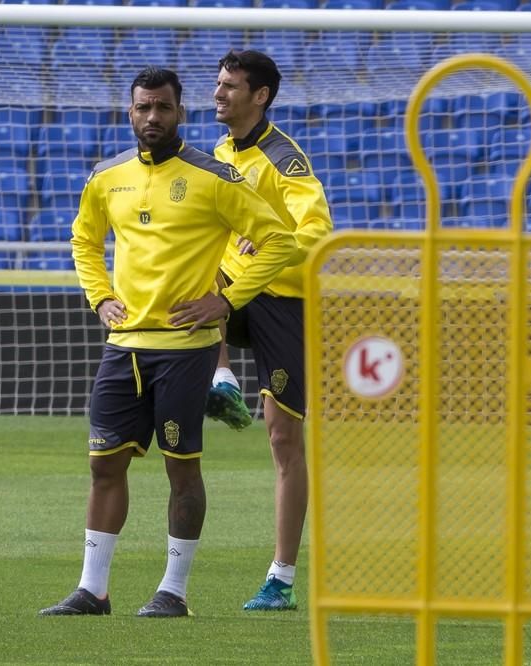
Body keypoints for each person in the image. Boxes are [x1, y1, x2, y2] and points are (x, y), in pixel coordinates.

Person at [39, 66, 296, 618]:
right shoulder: (107, 177)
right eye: (143, 108)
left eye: (163, 107)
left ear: (180, 111)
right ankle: (93, 591)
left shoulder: (215, 176)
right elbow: (84, 240)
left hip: (187, 347)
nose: (152, 116)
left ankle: (173, 592)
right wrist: (99, 298)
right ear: (130, 113)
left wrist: (226, 301)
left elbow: (279, 239)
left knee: (182, 468)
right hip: (124, 345)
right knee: (104, 466)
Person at [207, 50, 333, 611]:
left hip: (285, 298)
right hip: (238, 284)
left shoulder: (284, 158)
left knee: (283, 437)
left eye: (231, 86)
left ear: (259, 96)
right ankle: (222, 377)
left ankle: (280, 578)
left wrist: (276, 245)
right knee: (187, 285)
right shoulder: (216, 153)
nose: (219, 94)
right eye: (218, 84)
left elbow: (319, 231)